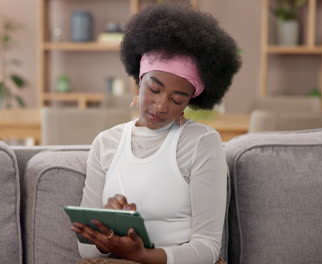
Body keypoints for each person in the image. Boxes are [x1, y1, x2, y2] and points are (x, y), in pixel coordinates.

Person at [70, 3, 241, 264]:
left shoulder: (201, 143)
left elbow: (207, 247)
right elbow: (86, 251)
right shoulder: (106, 143)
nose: (161, 106)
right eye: (154, 89)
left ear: (190, 102)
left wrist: (145, 256)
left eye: (177, 98)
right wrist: (103, 229)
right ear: (139, 82)